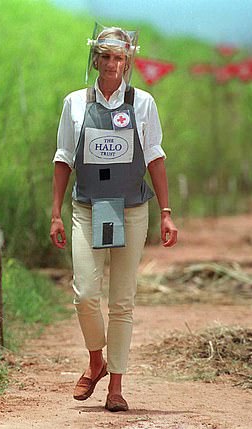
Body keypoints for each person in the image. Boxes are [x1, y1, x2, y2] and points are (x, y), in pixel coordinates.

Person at [50, 26, 178, 412]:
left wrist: (167, 213)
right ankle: (96, 360)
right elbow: (63, 158)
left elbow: (155, 157)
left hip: (131, 209)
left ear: (128, 61)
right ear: (95, 59)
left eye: (118, 58)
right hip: (87, 208)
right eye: (104, 57)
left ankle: (116, 386)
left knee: (122, 300)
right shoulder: (74, 103)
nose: (111, 64)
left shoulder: (143, 104)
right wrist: (55, 212)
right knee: (85, 293)